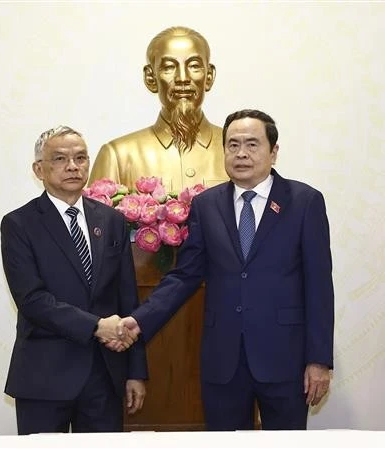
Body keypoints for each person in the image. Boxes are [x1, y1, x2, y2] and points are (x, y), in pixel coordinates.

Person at [115, 109, 334, 430]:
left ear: (273, 152)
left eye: (252, 144)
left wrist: (319, 360)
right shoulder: (207, 206)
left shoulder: (304, 202)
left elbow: (319, 286)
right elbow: (185, 275)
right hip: (223, 359)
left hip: (285, 357)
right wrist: (139, 321)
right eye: (232, 145)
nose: (241, 153)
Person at [0, 125, 147, 434]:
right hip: (44, 376)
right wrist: (95, 326)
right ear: (39, 169)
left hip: (104, 376)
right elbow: (32, 300)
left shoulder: (113, 221)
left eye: (80, 158)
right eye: (60, 159)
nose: (72, 166)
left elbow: (127, 300)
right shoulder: (19, 224)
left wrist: (136, 372)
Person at [88, 26, 229, 192]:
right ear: (150, 77)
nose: (183, 78)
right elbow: (95, 216)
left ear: (209, 76)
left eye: (194, 66)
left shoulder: (236, 151)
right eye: (169, 67)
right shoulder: (118, 156)